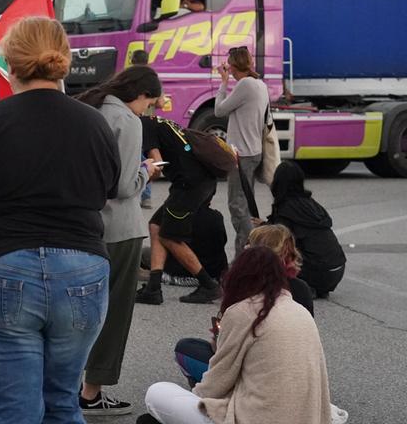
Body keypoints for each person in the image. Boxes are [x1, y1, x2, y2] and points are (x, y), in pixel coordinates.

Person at [0, 16, 120, 422]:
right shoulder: (95, 123)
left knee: (12, 410)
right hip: (82, 268)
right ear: (63, 60)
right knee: (63, 402)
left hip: (1, 264)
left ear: (9, 64)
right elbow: (106, 193)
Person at [139, 246, 332, 424]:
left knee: (157, 393)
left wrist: (191, 401)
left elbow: (217, 382)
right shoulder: (300, 311)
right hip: (307, 417)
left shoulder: (245, 311)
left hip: (257, 417)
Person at [75, 66, 164, 416]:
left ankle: (68, 385)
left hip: (84, 226)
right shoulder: (127, 121)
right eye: (149, 103)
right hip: (120, 229)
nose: (147, 110)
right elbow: (124, 186)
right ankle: (92, 392)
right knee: (112, 315)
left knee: (79, 312)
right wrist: (147, 171)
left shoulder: (89, 108)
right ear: (140, 95)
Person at [136, 116, 224, 305]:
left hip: (189, 185)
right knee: (156, 225)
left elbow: (157, 164)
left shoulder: (144, 125)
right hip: (200, 181)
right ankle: (153, 288)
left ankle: (209, 285)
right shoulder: (158, 121)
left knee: (170, 236)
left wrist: (137, 183)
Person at [214, 46, 269, 252]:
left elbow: (219, 110)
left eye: (229, 64)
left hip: (241, 153)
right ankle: (246, 255)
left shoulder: (245, 84)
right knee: (246, 204)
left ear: (234, 66)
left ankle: (250, 250)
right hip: (253, 150)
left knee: (237, 206)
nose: (227, 68)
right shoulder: (259, 84)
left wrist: (224, 82)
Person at [263, 162, 347, 298]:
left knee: (272, 251)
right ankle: (317, 286)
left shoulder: (285, 209)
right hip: (337, 268)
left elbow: (278, 240)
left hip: (317, 272)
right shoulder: (311, 204)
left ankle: (304, 286)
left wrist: (263, 230)